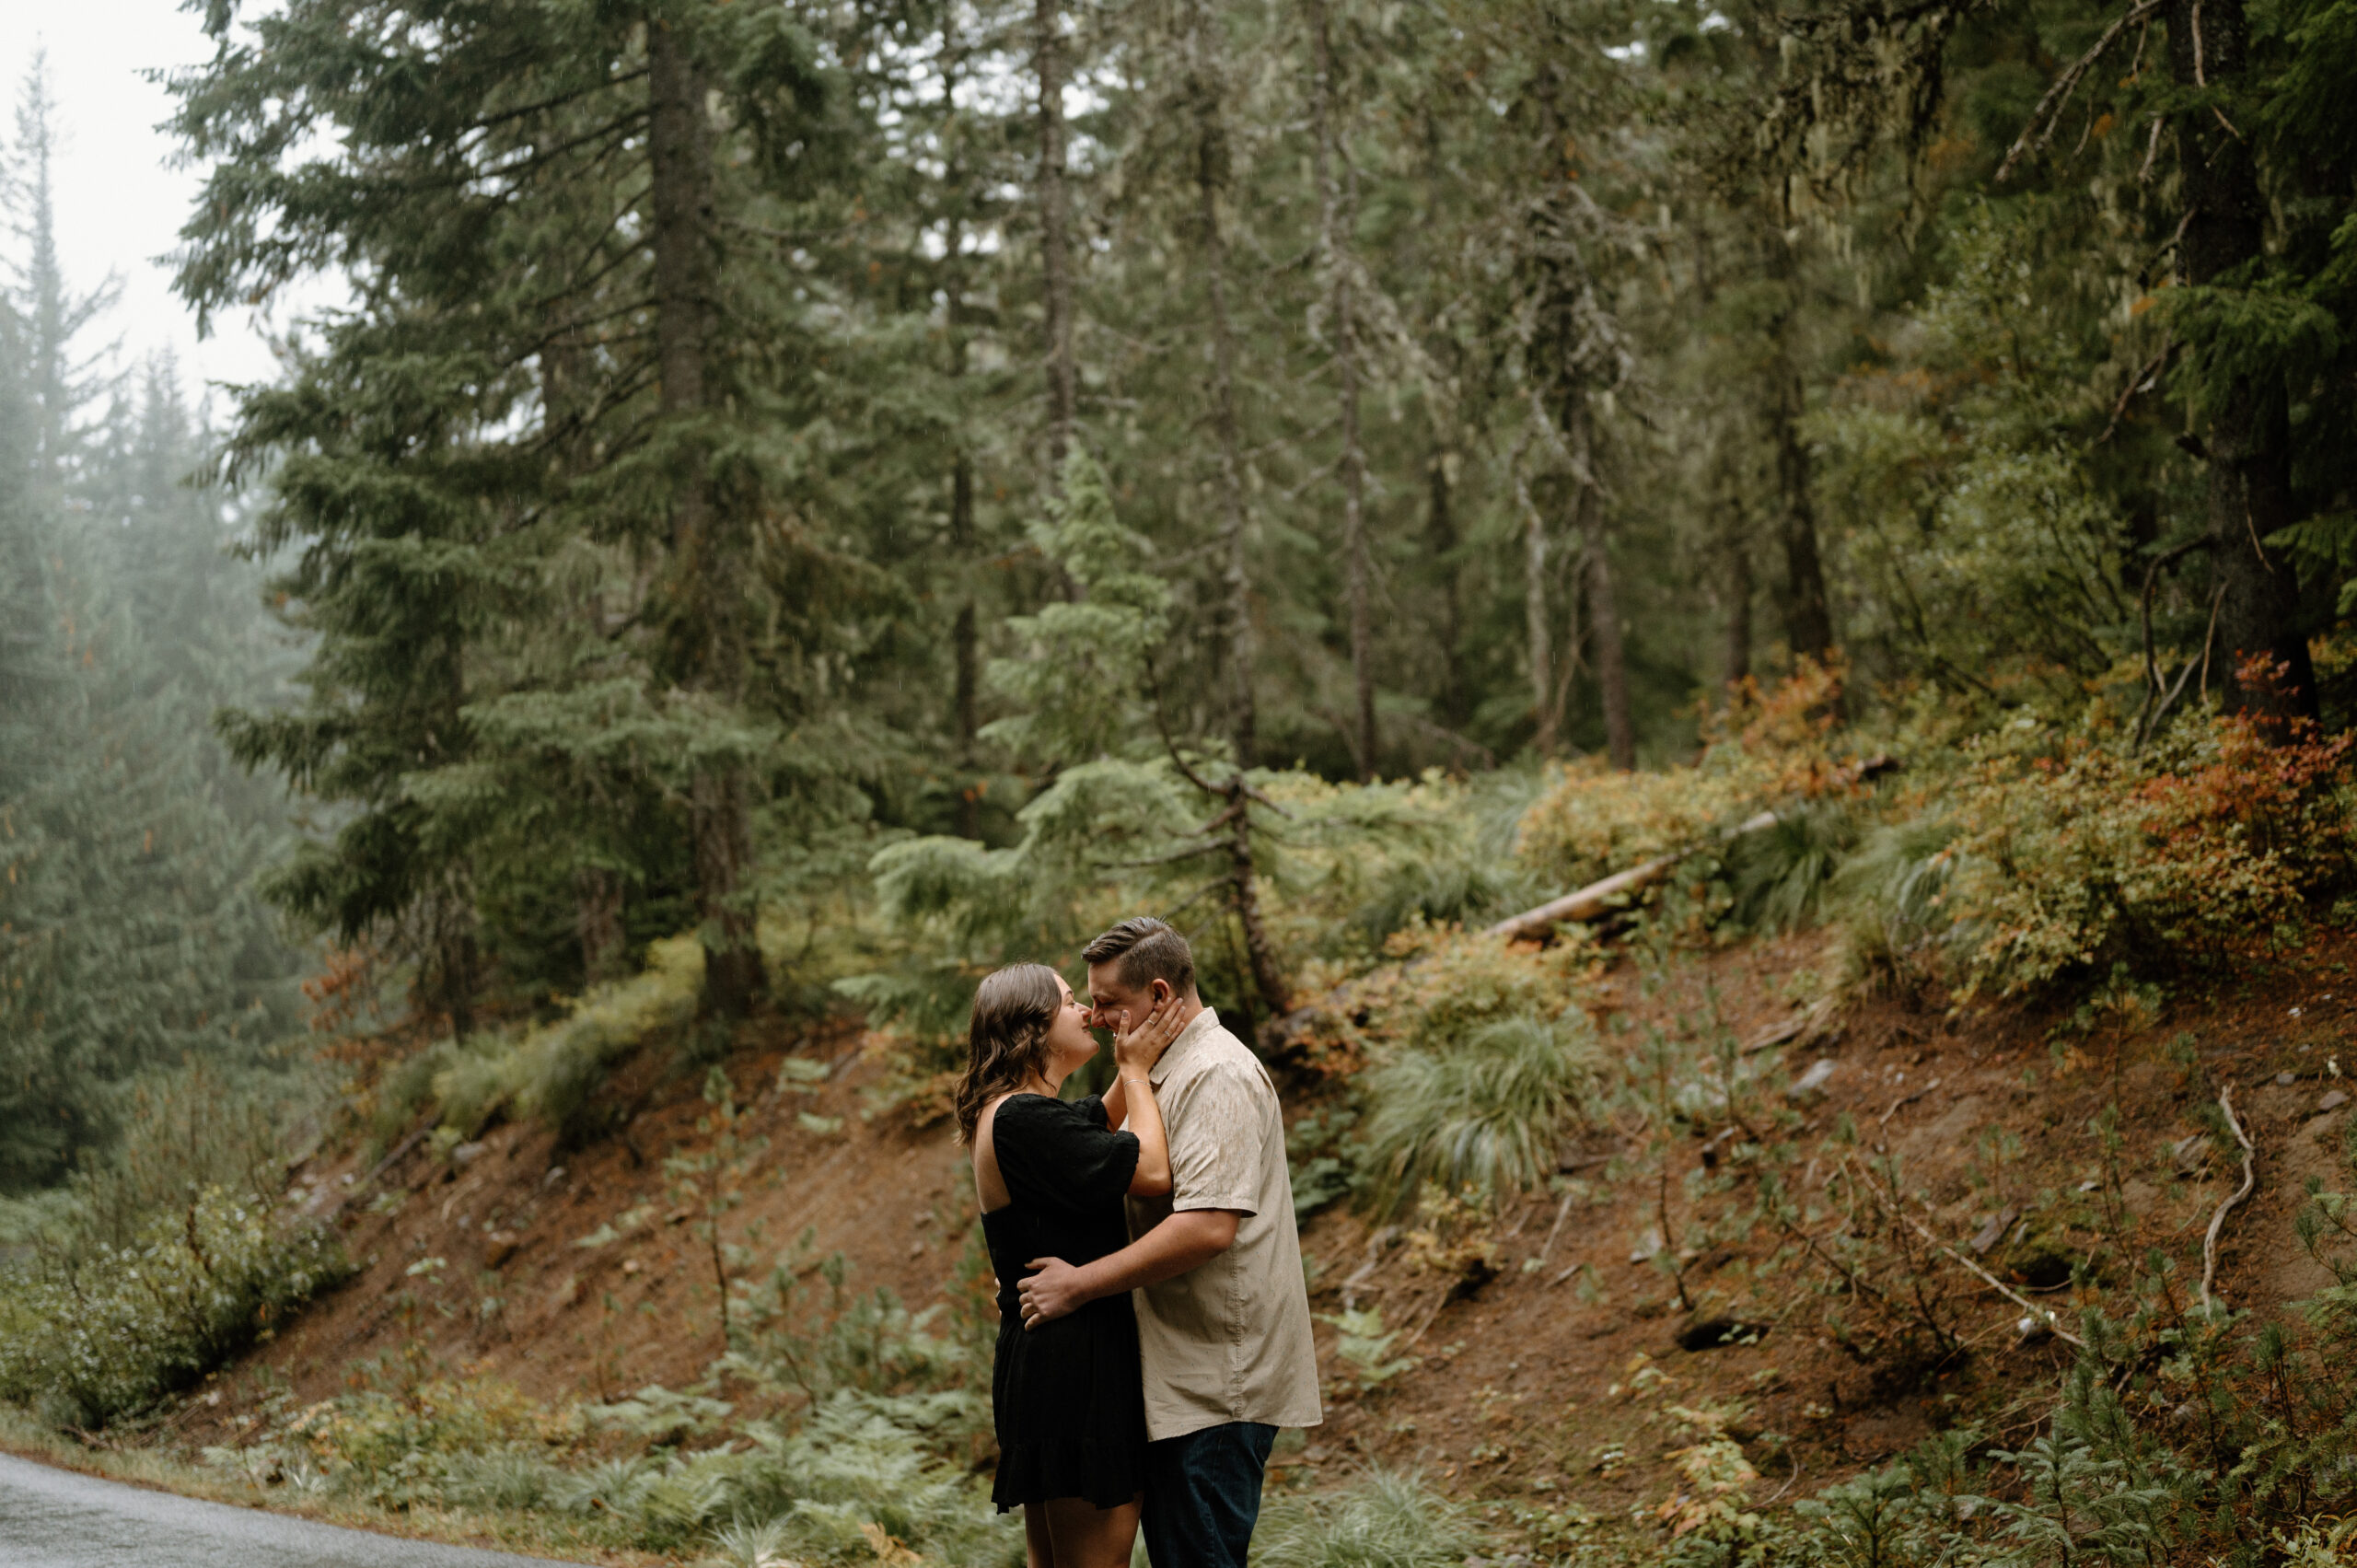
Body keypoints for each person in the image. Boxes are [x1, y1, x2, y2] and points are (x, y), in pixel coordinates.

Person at [1017, 917, 1323, 1568]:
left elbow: (1208, 1226)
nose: (1095, 1017)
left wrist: (1077, 1283)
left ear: (1159, 995)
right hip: (1180, 1375)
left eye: (1107, 1002)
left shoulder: (1216, 1075)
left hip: (1218, 1381)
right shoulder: (1157, 1068)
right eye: (1090, 1001)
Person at [958, 962, 1189, 1568]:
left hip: (1045, 1358)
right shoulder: (1023, 1118)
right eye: (1068, 1002)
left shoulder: (1015, 1112)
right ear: (1031, 1026)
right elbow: (1151, 1174)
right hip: (1073, 1364)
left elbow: (1098, 1122)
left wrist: (1131, 1053)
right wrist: (1137, 1071)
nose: (1085, 1011)